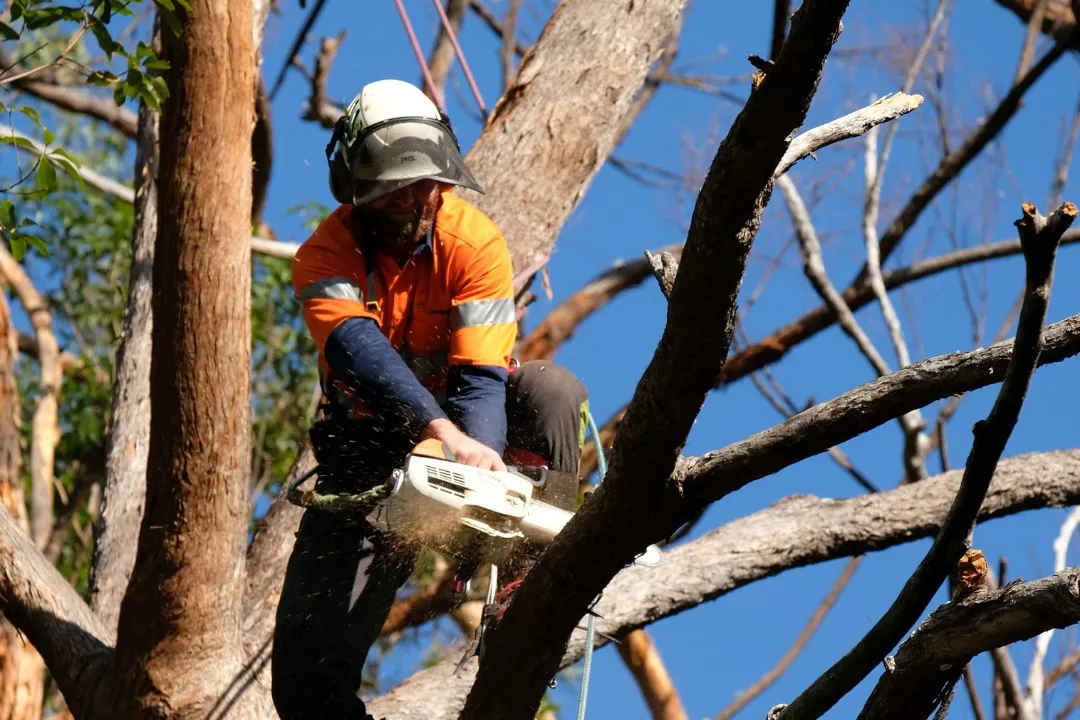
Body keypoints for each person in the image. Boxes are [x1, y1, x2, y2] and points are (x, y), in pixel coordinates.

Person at [270, 78, 590, 720]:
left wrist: (474, 461)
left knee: (552, 390)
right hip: (368, 445)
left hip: (473, 425)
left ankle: (526, 585)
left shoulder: (474, 243)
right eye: (398, 188)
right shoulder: (325, 255)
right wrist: (436, 431)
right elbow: (358, 351)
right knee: (302, 683)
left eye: (427, 182)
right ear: (359, 188)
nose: (417, 198)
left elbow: (481, 380)